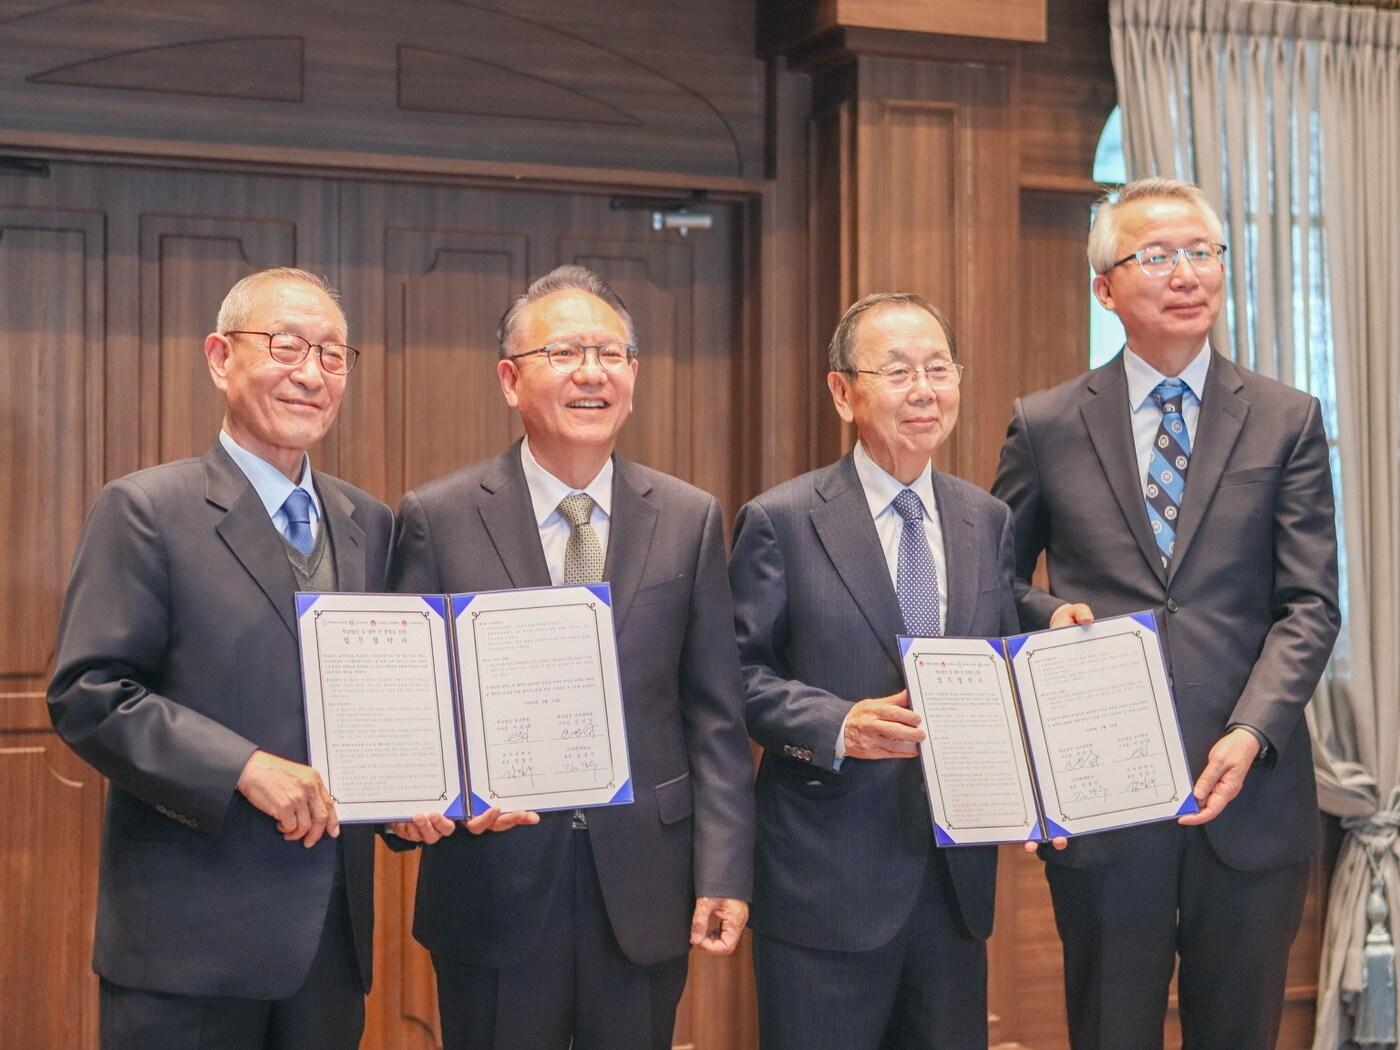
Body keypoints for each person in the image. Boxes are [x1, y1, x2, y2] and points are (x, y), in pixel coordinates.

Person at [992, 176, 1341, 1050]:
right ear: (1105, 287)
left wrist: (1253, 731)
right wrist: (1048, 613)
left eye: (1203, 253)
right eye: (1157, 256)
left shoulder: (1286, 420)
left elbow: (1311, 604)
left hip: (1250, 796)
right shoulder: (1046, 425)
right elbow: (990, 584)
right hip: (1105, 799)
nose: (1186, 273)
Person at [389, 264, 755, 1050]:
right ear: (510, 380)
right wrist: (418, 803)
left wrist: (723, 869)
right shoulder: (438, 517)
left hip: (646, 882)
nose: (592, 372)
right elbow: (408, 705)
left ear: (633, 375)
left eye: (612, 353)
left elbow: (715, 715)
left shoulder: (689, 518)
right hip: (494, 882)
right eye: (564, 353)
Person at [47, 268, 415, 1050]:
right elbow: (90, 694)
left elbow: (379, 704)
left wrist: (415, 800)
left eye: (333, 355)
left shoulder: (368, 523)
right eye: (286, 346)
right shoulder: (146, 509)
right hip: (187, 947)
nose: (311, 373)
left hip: (328, 949)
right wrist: (244, 765)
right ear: (220, 357)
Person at [728, 292, 1020, 1049]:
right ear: (842, 392)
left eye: (938, 368)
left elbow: (1004, 667)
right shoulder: (782, 521)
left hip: (955, 887)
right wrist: (836, 724)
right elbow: (736, 674)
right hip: (826, 886)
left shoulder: (986, 519)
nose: (924, 389)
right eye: (897, 371)